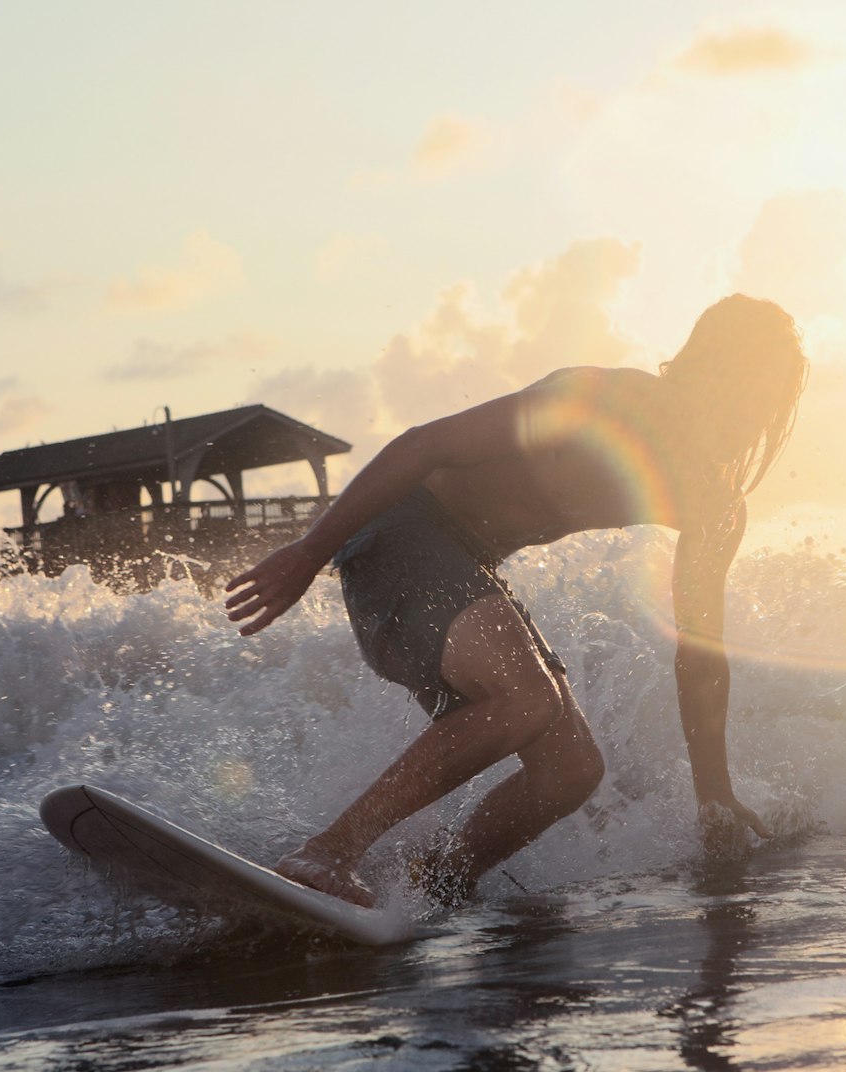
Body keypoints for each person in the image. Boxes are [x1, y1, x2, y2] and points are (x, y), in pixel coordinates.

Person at [225, 294, 808, 907]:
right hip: (397, 534)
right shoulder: (606, 401)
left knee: (571, 773)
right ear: (703, 365)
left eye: (762, 401)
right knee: (526, 696)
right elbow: (426, 445)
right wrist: (310, 550)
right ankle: (329, 850)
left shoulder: (713, 502)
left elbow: (701, 653)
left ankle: (435, 880)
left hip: (461, 570)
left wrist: (713, 794)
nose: (744, 412)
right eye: (738, 384)